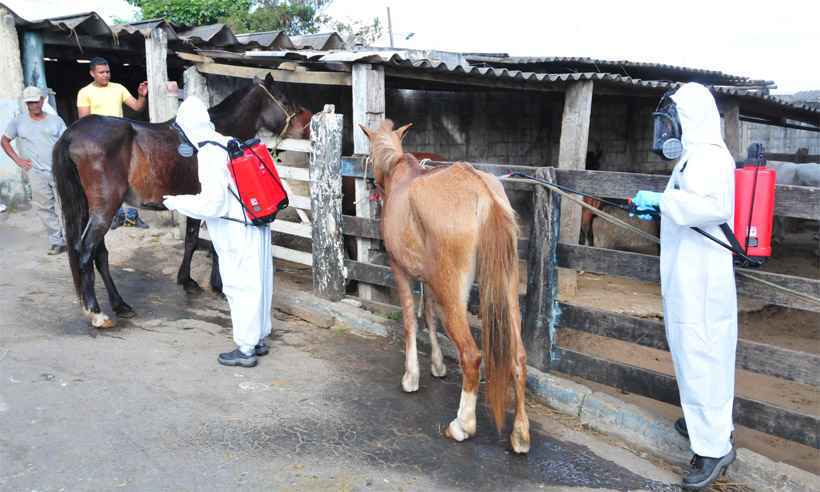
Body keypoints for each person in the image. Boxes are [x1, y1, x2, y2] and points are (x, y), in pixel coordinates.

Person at [631, 82, 737, 491]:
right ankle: (701, 422)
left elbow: (715, 207)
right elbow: (687, 202)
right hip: (687, 271)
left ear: (690, 118)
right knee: (690, 350)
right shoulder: (692, 158)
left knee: (703, 351)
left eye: (673, 120)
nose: (667, 130)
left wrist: (663, 203)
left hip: (702, 276)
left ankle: (714, 449)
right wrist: (660, 205)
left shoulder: (710, 156)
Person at [163, 97, 273, 368]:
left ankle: (246, 349)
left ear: (186, 127)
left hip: (236, 229)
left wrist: (177, 202)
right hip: (255, 222)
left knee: (239, 285)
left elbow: (213, 204)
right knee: (260, 281)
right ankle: (258, 338)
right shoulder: (227, 141)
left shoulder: (208, 153)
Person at [77, 56, 150, 229]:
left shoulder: (118, 88)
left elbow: (137, 107)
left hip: (122, 141)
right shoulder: (85, 92)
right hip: (100, 144)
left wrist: (141, 96)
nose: (106, 75)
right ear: (92, 73)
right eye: (101, 72)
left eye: (108, 72)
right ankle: (117, 216)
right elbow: (84, 122)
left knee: (131, 177)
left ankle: (132, 217)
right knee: (110, 180)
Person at [1, 86, 67, 254]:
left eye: (36, 101)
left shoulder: (55, 120)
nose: (34, 106)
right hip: (36, 173)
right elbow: (5, 140)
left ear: (42, 100)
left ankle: (72, 239)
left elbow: (67, 144)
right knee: (45, 207)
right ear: (26, 104)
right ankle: (57, 241)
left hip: (59, 170)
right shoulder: (19, 121)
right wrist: (18, 160)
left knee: (67, 205)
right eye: (30, 103)